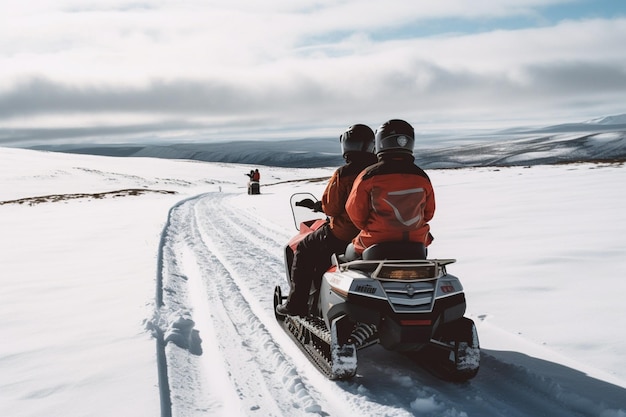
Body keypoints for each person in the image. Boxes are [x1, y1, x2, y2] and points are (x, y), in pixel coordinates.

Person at [276, 124, 378, 317]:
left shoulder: (344, 173)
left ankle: (296, 304)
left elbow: (331, 207)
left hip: (345, 233)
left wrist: (318, 205)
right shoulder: (381, 172)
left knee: (305, 248)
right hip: (376, 233)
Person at [345, 119, 435, 258]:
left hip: (376, 241)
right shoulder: (422, 177)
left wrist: (373, 226)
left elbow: (355, 212)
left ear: (380, 142)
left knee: (347, 256)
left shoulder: (369, 176)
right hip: (416, 241)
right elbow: (429, 213)